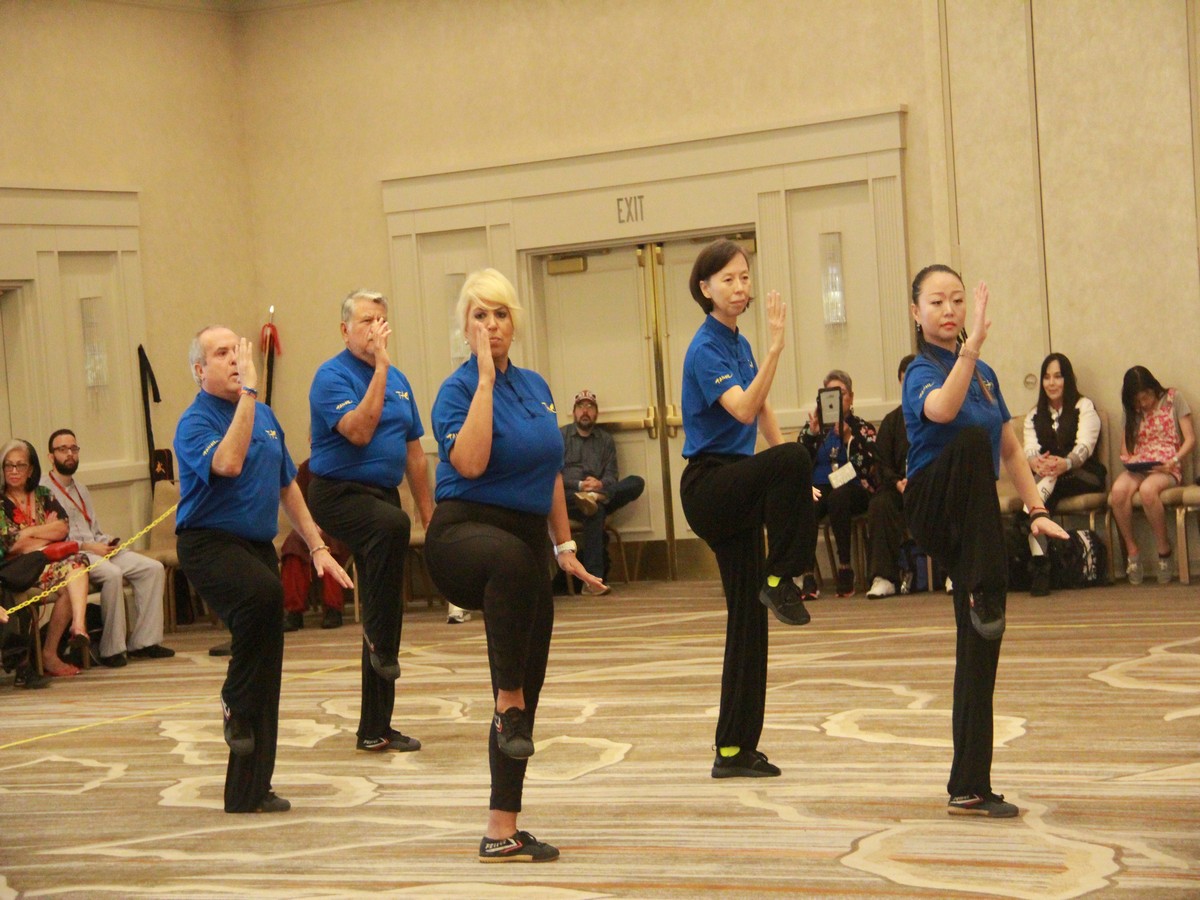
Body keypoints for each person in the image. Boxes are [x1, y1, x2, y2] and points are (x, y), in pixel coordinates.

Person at [424, 268, 601, 863]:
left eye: (500, 314)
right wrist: (482, 381)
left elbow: (547, 470)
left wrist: (565, 547)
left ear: (513, 323)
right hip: (463, 534)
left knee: (531, 682)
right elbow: (471, 464)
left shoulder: (536, 387)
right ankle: (508, 702)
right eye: (480, 315)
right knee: (513, 685)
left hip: (525, 549)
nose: (492, 325)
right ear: (465, 326)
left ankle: (501, 828)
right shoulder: (455, 391)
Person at [902, 264, 1067, 819]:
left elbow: (1012, 450)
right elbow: (943, 411)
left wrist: (1037, 509)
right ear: (917, 313)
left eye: (957, 300)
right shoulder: (921, 370)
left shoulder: (988, 376)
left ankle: (970, 784)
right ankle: (986, 585)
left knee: (980, 641)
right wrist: (970, 350)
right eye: (937, 302)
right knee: (972, 442)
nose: (949, 310)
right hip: (931, 504)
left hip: (970, 524)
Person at [175, 326, 351, 814]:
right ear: (199, 370)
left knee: (268, 661)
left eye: (238, 350)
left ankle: (249, 791)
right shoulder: (194, 422)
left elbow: (287, 486)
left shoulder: (265, 416)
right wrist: (250, 396)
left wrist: (317, 546)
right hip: (208, 543)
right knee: (265, 596)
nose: (235, 359)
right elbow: (228, 463)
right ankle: (233, 699)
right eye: (222, 353)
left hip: (254, 546)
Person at [678, 239, 816, 780]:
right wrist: (777, 349)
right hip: (710, 484)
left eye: (744, 277)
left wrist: (794, 477)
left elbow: (763, 412)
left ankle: (734, 748)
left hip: (736, 482)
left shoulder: (738, 342)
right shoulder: (705, 348)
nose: (740, 287)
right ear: (705, 288)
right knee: (794, 458)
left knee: (747, 619)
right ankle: (782, 577)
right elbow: (741, 407)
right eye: (728, 279)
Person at [306, 289, 433, 754]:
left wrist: (430, 517)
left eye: (380, 319)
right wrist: (380, 368)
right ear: (345, 330)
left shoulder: (400, 381)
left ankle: (375, 727)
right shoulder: (331, 376)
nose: (375, 328)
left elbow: (415, 454)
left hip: (380, 498)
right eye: (365, 320)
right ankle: (381, 641)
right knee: (392, 526)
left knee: (387, 597)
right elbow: (359, 432)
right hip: (337, 492)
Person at [41, 428, 173, 666]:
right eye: (62, 449)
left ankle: (145, 642)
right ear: (51, 456)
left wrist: (108, 542)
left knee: (152, 568)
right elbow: (51, 540)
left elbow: (95, 530)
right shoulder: (43, 491)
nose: (69, 454)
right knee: (112, 574)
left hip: (96, 548)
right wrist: (91, 547)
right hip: (74, 555)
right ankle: (112, 649)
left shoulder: (81, 489)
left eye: (73, 448)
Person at [1, 439, 91, 677]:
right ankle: (54, 650)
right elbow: (10, 545)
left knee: (77, 565)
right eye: (8, 465)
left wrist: (27, 533)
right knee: (71, 574)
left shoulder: (43, 494)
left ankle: (76, 629)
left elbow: (63, 528)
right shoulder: (0, 502)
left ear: (31, 469)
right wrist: (44, 535)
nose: (14, 470)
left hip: (47, 565)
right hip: (17, 571)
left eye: (20, 465)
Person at [1021, 354, 1106, 594]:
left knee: (1036, 501)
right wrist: (1036, 463)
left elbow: (1085, 446)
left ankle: (1039, 566)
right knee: (1043, 493)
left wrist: (1065, 463)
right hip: (1050, 478)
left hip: (1083, 474)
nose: (1052, 383)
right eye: (1047, 377)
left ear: (1067, 379)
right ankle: (1041, 564)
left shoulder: (1083, 406)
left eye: (1058, 376)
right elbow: (1030, 450)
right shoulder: (1034, 415)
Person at [1109, 365, 1194, 584]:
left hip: (1167, 465)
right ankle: (1132, 552)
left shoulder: (1174, 398)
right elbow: (1125, 447)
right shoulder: (1131, 411)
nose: (1143, 404)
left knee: (1148, 490)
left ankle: (1164, 550)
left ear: (1153, 387)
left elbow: (1190, 439)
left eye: (1146, 397)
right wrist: (1129, 460)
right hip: (1140, 464)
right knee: (1118, 492)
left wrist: (1174, 460)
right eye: (1137, 401)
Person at [798, 370, 877, 596]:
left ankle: (845, 568)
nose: (836, 398)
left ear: (851, 397)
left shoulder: (862, 427)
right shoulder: (815, 428)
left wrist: (848, 438)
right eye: (829, 393)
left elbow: (867, 465)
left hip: (853, 488)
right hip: (821, 486)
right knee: (807, 501)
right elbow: (798, 462)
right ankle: (807, 575)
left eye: (841, 393)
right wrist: (811, 435)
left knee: (838, 497)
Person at [560, 388, 645, 594]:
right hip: (569, 498)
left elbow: (612, 476)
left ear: (596, 413)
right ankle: (593, 581)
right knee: (595, 511)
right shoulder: (561, 436)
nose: (585, 411)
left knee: (636, 482)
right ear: (574, 412)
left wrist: (599, 485)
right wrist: (580, 485)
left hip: (598, 494)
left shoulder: (605, 440)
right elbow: (554, 476)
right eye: (581, 407)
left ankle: (596, 497)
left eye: (590, 407)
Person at [279, 459, 351, 632]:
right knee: (293, 543)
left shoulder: (346, 463)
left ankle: (333, 609)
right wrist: (311, 525)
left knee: (330, 544)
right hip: (311, 524)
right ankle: (293, 610)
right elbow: (298, 503)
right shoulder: (306, 468)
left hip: (342, 524)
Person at [866, 354, 916, 599]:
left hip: (929, 487)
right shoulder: (891, 422)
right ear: (900, 382)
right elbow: (882, 463)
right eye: (905, 381)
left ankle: (952, 573)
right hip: (899, 488)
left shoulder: (937, 416)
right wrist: (897, 482)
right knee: (880, 504)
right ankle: (884, 577)